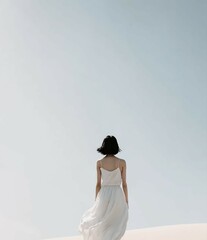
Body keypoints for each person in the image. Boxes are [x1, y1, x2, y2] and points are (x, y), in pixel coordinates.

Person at [78, 135, 129, 240]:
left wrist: (96, 200)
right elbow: (124, 184)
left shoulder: (99, 163)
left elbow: (98, 184)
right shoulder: (122, 162)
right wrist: (126, 200)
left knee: (102, 222)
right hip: (117, 194)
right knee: (115, 223)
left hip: (104, 194)